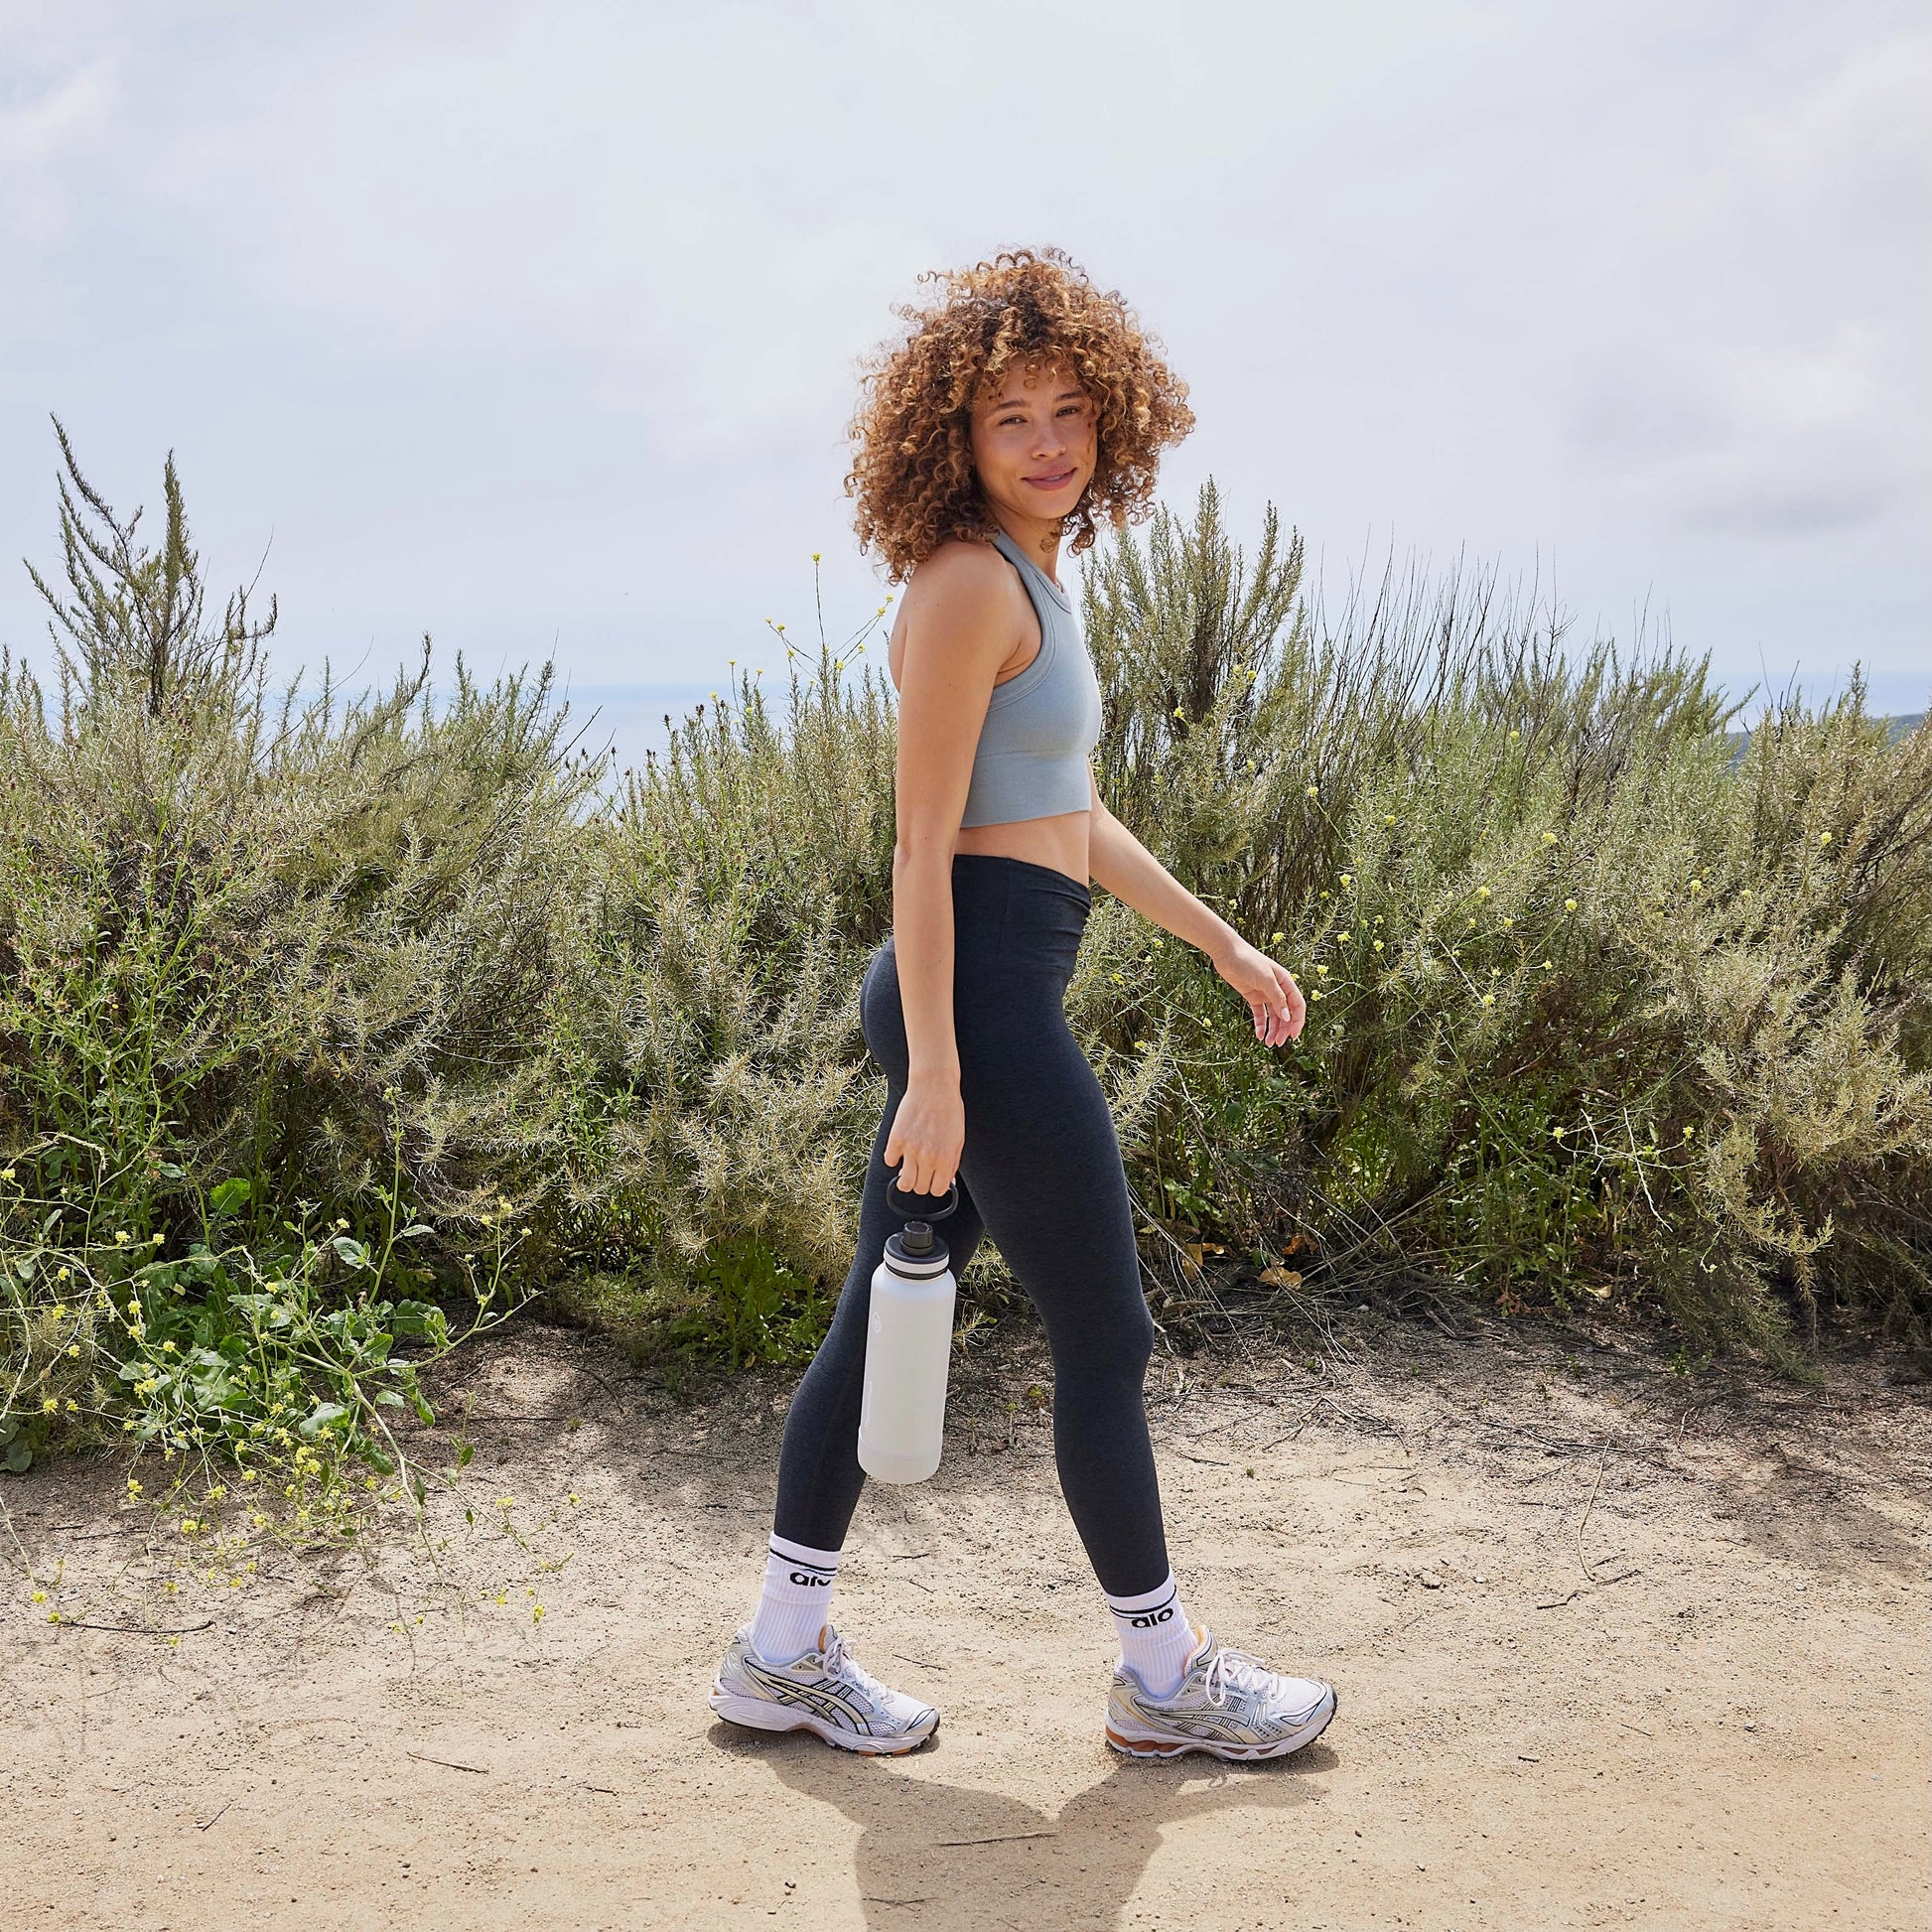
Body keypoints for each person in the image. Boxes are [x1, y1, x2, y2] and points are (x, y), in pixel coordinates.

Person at [709, 248, 1337, 1761]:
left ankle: (777, 1655)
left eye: (1069, 410)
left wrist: (1219, 942)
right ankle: (1164, 1676)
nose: (1049, 441)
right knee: (1103, 1336)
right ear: (955, 439)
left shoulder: (1037, 577)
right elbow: (922, 849)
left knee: (878, 1323)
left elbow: (1067, 816)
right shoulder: (964, 584)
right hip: (973, 1001)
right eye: (1012, 419)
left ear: (1109, 415)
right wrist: (938, 1068)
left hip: (985, 985)